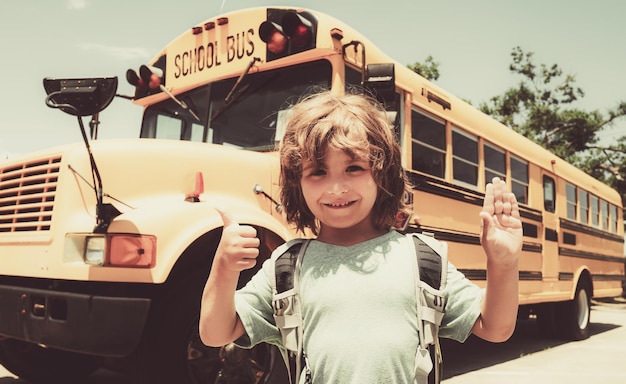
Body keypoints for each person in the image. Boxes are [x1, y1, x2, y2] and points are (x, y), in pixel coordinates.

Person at [199, 91, 523, 383]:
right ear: (297, 183)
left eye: (353, 168)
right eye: (318, 172)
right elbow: (216, 333)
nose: (336, 188)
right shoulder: (286, 267)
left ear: (382, 172)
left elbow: (494, 327)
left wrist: (503, 263)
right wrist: (225, 268)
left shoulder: (422, 258)